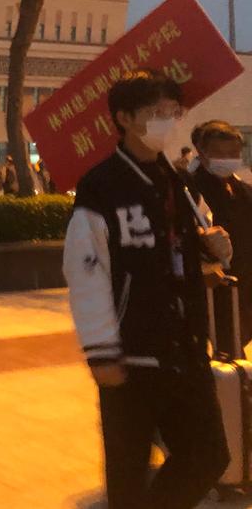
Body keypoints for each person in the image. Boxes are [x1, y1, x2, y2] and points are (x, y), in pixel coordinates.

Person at [62, 70, 232, 509]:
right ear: (124, 117)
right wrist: (101, 350)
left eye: (172, 112)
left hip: (186, 350)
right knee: (128, 475)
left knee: (209, 455)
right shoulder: (102, 186)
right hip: (131, 357)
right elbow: (85, 270)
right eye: (155, 112)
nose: (167, 121)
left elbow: (195, 247)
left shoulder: (179, 183)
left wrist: (214, 247)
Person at [192, 120, 252, 346]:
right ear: (203, 153)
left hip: (245, 286)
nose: (227, 159)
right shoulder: (192, 191)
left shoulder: (243, 191)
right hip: (215, 292)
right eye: (220, 153)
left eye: (233, 153)